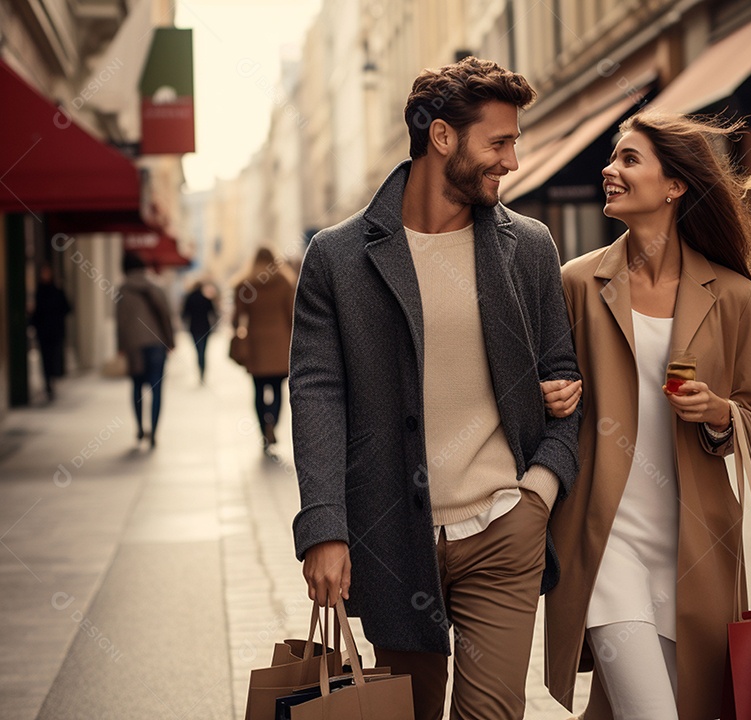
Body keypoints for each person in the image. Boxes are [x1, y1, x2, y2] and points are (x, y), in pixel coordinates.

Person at [289, 56, 580, 720]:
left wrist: (539, 491)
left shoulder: (529, 246)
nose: (511, 160)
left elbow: (566, 385)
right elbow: (316, 394)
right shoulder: (337, 258)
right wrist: (324, 529)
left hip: (505, 531)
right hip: (392, 541)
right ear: (442, 137)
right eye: (498, 142)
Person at [542, 110, 751, 720]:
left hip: (694, 541)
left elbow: (749, 418)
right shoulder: (578, 283)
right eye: (614, 158)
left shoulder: (733, 296)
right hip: (603, 533)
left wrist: (719, 413)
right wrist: (551, 398)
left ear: (674, 186)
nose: (609, 170)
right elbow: (542, 396)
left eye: (628, 159)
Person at [233, 248, 295, 454]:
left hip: (256, 345)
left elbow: (237, 318)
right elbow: (292, 316)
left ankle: (263, 431)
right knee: (277, 389)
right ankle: (273, 424)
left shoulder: (246, 284)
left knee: (259, 390)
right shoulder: (285, 283)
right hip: (280, 343)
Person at [117, 253, 175, 449]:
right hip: (156, 343)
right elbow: (165, 315)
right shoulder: (155, 287)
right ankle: (155, 431)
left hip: (134, 345)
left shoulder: (123, 290)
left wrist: (121, 346)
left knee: (136, 387)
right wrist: (170, 340)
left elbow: (121, 322)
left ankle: (140, 428)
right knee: (156, 389)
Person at [29, 265, 71, 401]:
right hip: (43, 332)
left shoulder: (56, 291)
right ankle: (48, 383)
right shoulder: (39, 292)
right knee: (46, 358)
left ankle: (52, 379)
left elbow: (67, 308)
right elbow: (36, 314)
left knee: (53, 357)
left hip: (55, 331)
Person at [181, 279, 219, 384]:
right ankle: (202, 371)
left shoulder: (189, 298)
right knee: (204, 351)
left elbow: (184, 314)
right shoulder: (206, 298)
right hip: (205, 328)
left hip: (194, 328)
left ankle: (200, 369)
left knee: (198, 351)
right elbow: (213, 313)